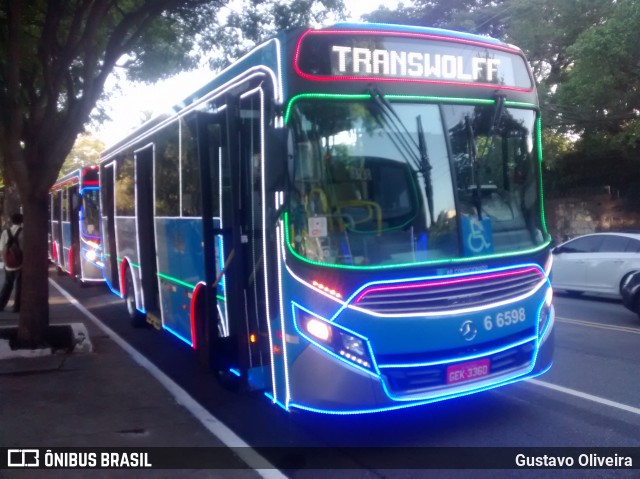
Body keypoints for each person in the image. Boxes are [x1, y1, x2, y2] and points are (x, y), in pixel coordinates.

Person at [0, 213, 23, 312]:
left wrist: (5, 260)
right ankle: (17, 306)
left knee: (7, 284)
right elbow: (24, 249)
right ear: (21, 221)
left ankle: (1, 304)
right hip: (20, 263)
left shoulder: (5, 232)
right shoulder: (23, 232)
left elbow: (1, 248)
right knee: (20, 285)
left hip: (8, 263)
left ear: (12, 221)